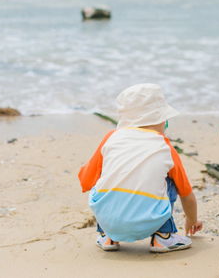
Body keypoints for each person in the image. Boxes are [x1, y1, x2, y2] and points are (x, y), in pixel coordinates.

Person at [78, 83, 202, 253]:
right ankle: (163, 237)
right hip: (150, 220)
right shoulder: (164, 146)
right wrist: (192, 220)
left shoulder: (111, 138)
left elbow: (86, 180)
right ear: (160, 120)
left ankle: (108, 236)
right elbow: (186, 193)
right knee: (169, 180)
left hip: (108, 220)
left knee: (105, 178)